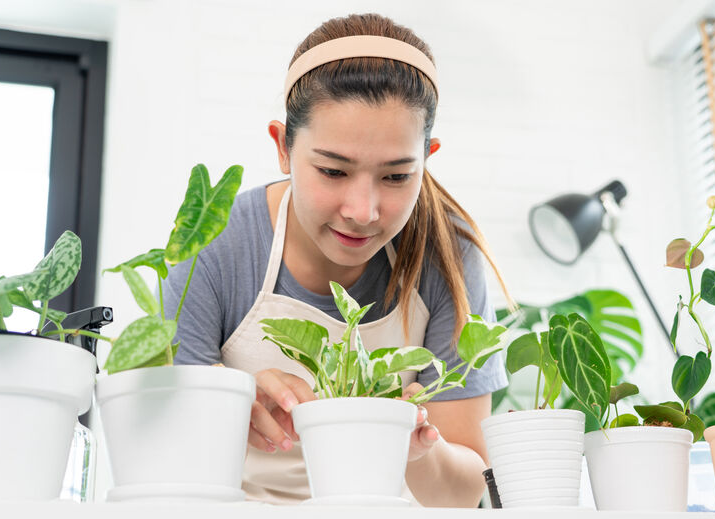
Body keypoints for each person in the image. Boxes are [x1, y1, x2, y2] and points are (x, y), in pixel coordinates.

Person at [163, 12, 512, 507]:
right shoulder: (217, 244)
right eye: (332, 170)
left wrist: (420, 450)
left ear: (427, 157)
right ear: (283, 147)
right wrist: (229, 404)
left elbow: (461, 494)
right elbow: (167, 460)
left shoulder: (447, 256)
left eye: (396, 177)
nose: (363, 212)